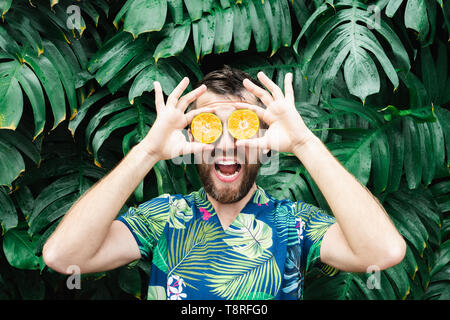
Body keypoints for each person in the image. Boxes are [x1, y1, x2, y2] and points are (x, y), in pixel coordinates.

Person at [43, 66, 406, 300]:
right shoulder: (163, 218)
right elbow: (64, 256)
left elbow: (382, 253)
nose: (226, 143)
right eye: (210, 126)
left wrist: (304, 143)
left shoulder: (293, 223)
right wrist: (148, 150)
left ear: (264, 141)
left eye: (243, 126)